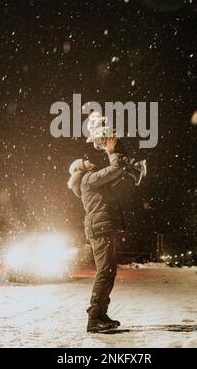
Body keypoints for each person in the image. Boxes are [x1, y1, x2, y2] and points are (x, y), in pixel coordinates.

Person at [68, 137, 146, 333]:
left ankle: (100, 314)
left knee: (108, 271)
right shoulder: (88, 179)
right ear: (80, 170)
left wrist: (122, 161)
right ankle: (95, 317)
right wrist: (110, 152)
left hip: (101, 228)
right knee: (105, 271)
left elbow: (115, 173)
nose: (87, 160)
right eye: (83, 162)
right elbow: (113, 170)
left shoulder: (93, 180)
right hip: (100, 229)